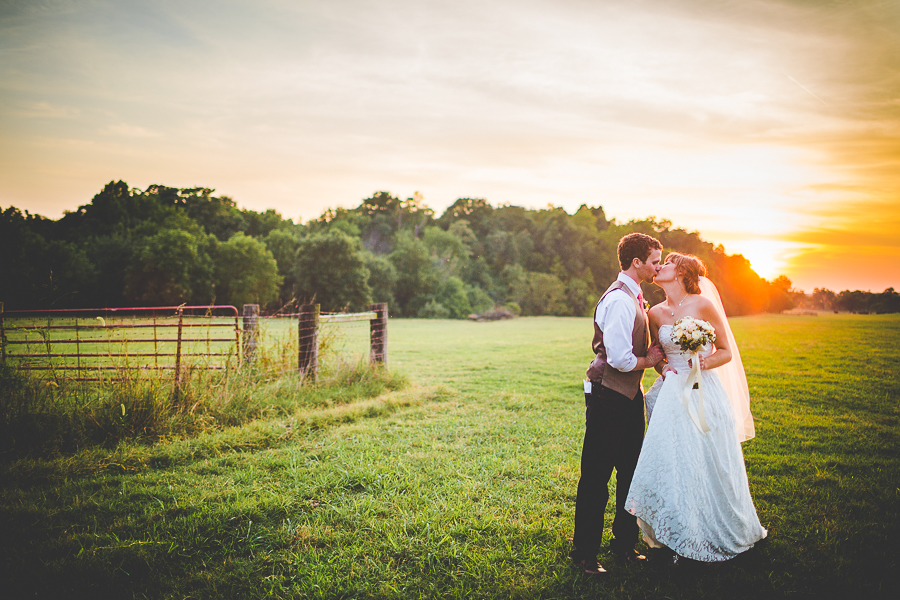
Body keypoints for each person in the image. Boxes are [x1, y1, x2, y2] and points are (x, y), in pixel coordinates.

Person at [625, 252, 767, 563]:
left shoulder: (703, 305)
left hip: (704, 391)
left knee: (707, 461)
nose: (661, 266)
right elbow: (657, 356)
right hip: (671, 395)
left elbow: (726, 351)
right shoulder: (656, 314)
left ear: (682, 273)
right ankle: (673, 533)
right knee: (673, 462)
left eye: (669, 263)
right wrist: (663, 368)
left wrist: (704, 361)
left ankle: (712, 528)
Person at [571, 233, 665, 576]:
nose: (659, 266)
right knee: (596, 477)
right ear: (636, 262)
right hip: (608, 396)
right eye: (655, 260)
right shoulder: (620, 302)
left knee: (629, 472)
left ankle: (624, 545)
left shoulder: (634, 296)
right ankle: (584, 555)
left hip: (628, 397)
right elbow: (622, 360)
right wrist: (650, 357)